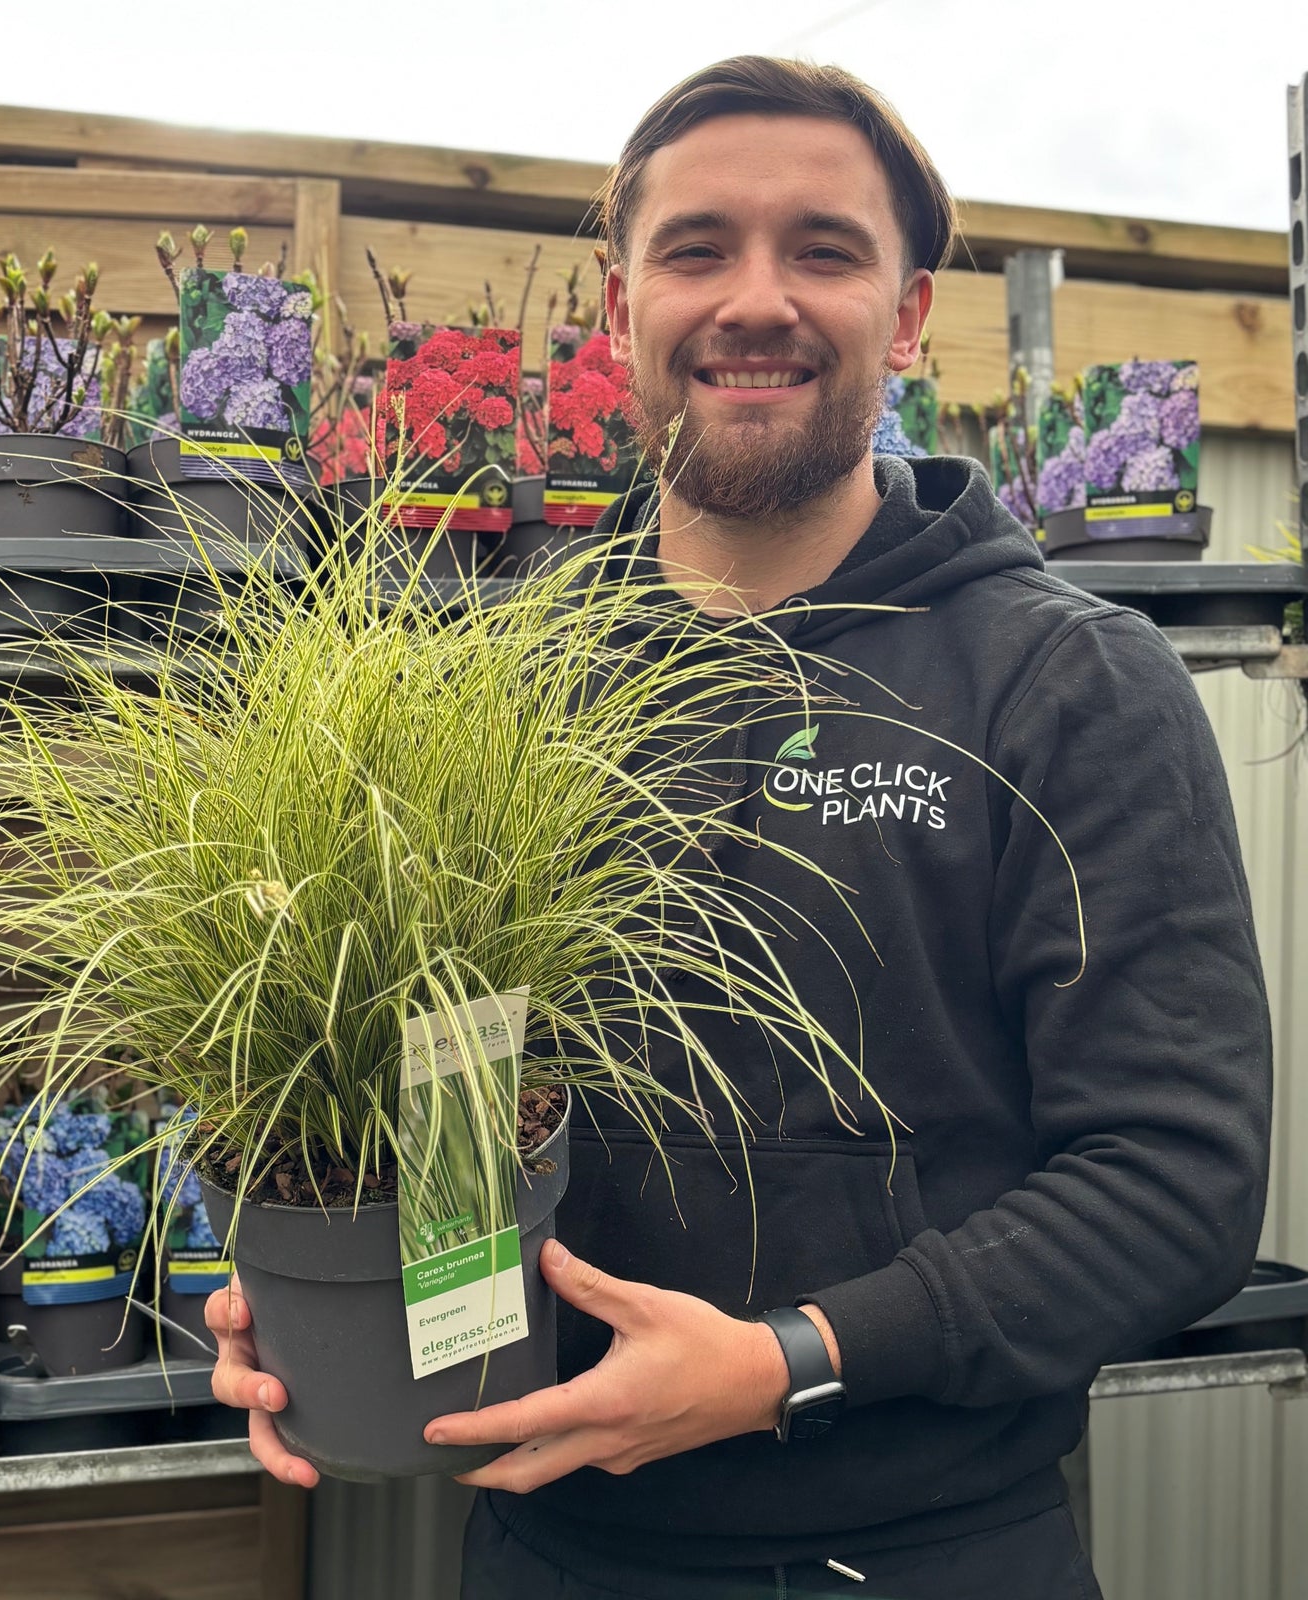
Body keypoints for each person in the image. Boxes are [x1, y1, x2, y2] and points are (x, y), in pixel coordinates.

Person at [210, 55, 1273, 1599]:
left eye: (824, 251)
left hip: (926, 1555)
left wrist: (793, 1361)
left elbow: (1177, 1183)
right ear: (621, 299)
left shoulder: (1066, 685)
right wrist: (343, 1284)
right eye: (697, 248)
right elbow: (455, 1079)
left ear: (908, 313)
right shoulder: (500, 685)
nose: (755, 300)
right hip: (543, 1544)